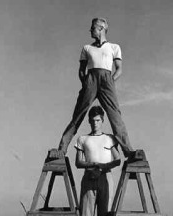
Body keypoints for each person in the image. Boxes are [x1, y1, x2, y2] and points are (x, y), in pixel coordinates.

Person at [56, 17, 134, 159]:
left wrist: (110, 81)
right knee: (78, 115)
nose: (90, 30)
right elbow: (81, 70)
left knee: (115, 116)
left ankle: (128, 151)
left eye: (92, 28)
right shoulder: (87, 48)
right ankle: (61, 149)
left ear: (101, 28)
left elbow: (119, 69)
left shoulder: (114, 47)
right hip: (90, 80)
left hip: (107, 81)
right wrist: (85, 82)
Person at [75, 106, 120, 216]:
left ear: (102, 120)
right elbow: (78, 162)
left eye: (98, 120)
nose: (95, 123)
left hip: (106, 177)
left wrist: (102, 168)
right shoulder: (83, 139)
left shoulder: (109, 138)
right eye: (92, 120)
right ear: (88, 121)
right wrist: (94, 165)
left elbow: (117, 159)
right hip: (89, 178)